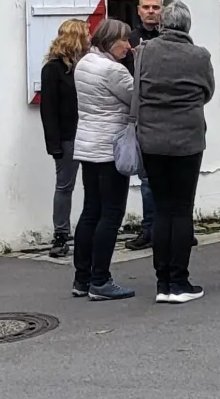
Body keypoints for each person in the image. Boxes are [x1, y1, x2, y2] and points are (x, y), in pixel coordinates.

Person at [134, 0, 215, 303]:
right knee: (181, 209)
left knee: (162, 208)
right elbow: (207, 91)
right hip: (187, 140)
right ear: (187, 26)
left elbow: (137, 91)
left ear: (163, 25)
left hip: (152, 139)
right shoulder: (199, 55)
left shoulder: (144, 52)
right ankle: (179, 282)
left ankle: (162, 282)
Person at [70, 18, 137, 301]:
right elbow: (136, 98)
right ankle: (101, 279)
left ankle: (82, 278)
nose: (128, 45)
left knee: (90, 212)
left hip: (87, 145)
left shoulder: (84, 64)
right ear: (111, 41)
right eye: (124, 40)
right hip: (111, 148)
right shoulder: (113, 70)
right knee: (111, 214)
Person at [38, 19, 89, 258]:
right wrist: (54, 144)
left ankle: (89, 229)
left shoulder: (88, 66)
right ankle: (61, 234)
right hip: (68, 136)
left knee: (93, 185)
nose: (90, 39)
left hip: (89, 133)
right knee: (65, 185)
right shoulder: (53, 68)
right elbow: (48, 109)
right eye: (86, 35)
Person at [121, 0, 163, 252]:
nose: (150, 11)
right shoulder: (130, 41)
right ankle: (149, 230)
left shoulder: (170, 38)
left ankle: (178, 228)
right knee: (147, 179)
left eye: (155, 7)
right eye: (146, 7)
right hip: (142, 116)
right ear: (138, 10)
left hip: (167, 115)